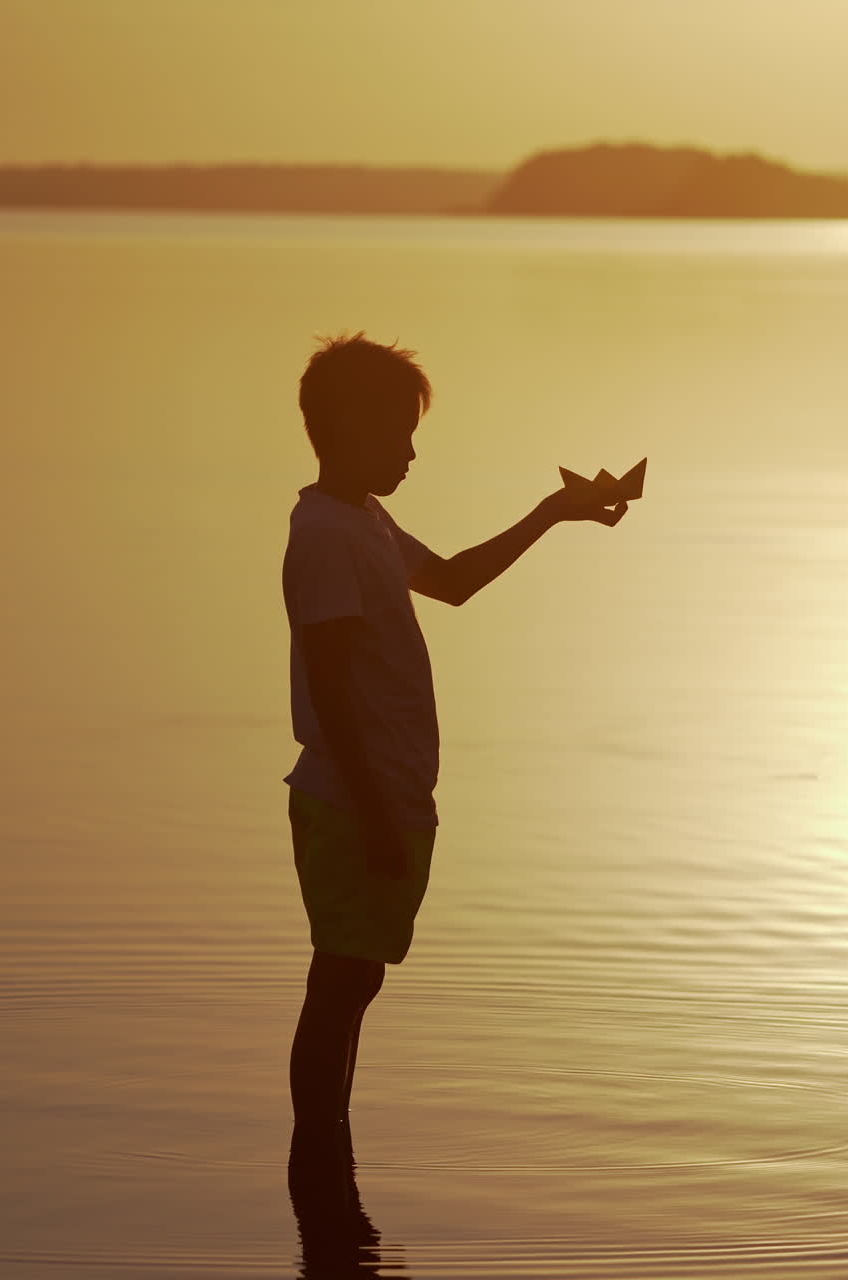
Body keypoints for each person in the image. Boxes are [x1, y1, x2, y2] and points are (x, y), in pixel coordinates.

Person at [282, 331, 629, 1147]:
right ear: (347, 427)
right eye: (400, 433)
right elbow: (331, 690)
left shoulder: (364, 520)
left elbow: (455, 582)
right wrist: (371, 815)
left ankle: (327, 1160)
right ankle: (318, 1155)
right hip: (350, 801)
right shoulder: (324, 535)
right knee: (339, 984)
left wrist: (554, 511)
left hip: (384, 798)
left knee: (357, 979)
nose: (410, 453)